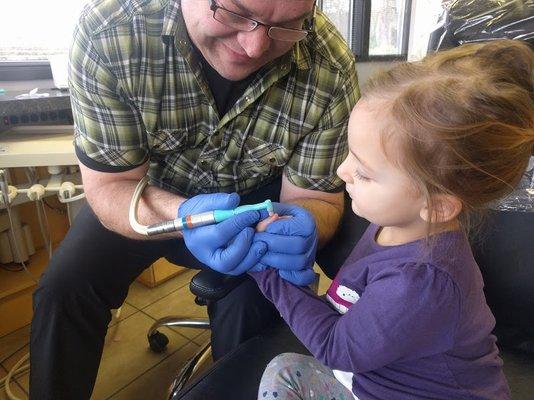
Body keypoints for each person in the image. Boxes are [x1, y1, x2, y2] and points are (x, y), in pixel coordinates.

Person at [29, 0, 360, 398]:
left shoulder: (330, 66)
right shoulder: (110, 33)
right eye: (235, 13)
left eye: (287, 26)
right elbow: (109, 185)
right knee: (65, 288)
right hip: (144, 197)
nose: (254, 47)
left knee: (253, 306)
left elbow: (316, 198)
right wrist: (184, 216)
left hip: (255, 212)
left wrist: (308, 223)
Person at [250, 39, 533, 399]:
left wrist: (267, 272)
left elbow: (339, 349)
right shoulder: (394, 222)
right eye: (349, 154)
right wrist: (292, 263)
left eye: (364, 173)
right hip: (375, 379)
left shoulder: (421, 280)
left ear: (437, 206)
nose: (341, 171)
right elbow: (352, 310)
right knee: (284, 371)